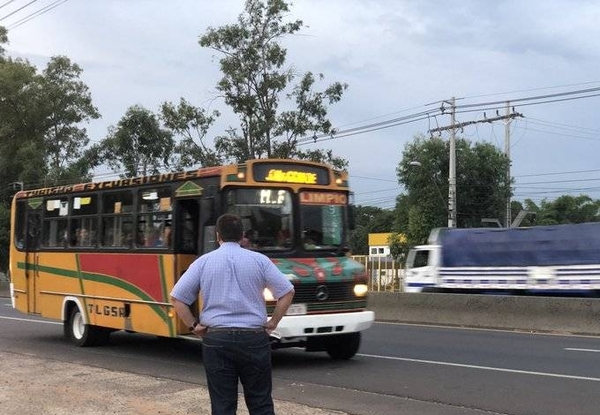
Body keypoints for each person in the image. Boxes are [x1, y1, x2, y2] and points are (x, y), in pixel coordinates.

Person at [170, 214, 295, 415]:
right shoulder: (260, 261)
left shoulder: (203, 262)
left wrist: (194, 326)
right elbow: (287, 292)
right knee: (261, 402)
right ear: (242, 235)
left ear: (217, 235)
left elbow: (178, 298)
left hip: (217, 339)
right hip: (254, 339)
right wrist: (272, 322)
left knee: (222, 405)